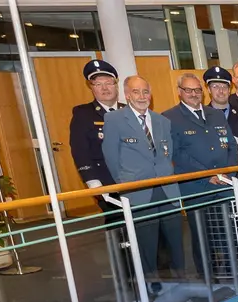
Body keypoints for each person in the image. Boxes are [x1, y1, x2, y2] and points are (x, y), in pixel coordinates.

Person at [102, 75, 185, 286]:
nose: (141, 96)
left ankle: (183, 283)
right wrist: (126, 184)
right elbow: (111, 157)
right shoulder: (114, 120)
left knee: (176, 242)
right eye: (136, 92)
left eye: (145, 92)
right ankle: (151, 286)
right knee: (146, 244)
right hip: (138, 192)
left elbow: (167, 153)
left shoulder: (162, 121)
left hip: (167, 190)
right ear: (127, 95)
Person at [162, 72, 238, 277]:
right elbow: (176, 154)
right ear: (179, 92)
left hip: (224, 185)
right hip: (196, 188)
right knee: (203, 237)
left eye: (197, 90)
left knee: (231, 233)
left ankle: (235, 273)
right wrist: (206, 175)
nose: (194, 94)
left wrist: (227, 172)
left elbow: (231, 146)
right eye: (188, 90)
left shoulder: (216, 114)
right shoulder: (169, 118)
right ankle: (208, 278)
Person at [70, 59, 123, 194]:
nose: (104, 88)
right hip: (105, 181)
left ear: (116, 85)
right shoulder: (83, 114)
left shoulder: (128, 111)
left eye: (108, 83)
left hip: (135, 178)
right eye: (98, 84)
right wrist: (92, 182)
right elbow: (80, 150)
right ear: (91, 88)